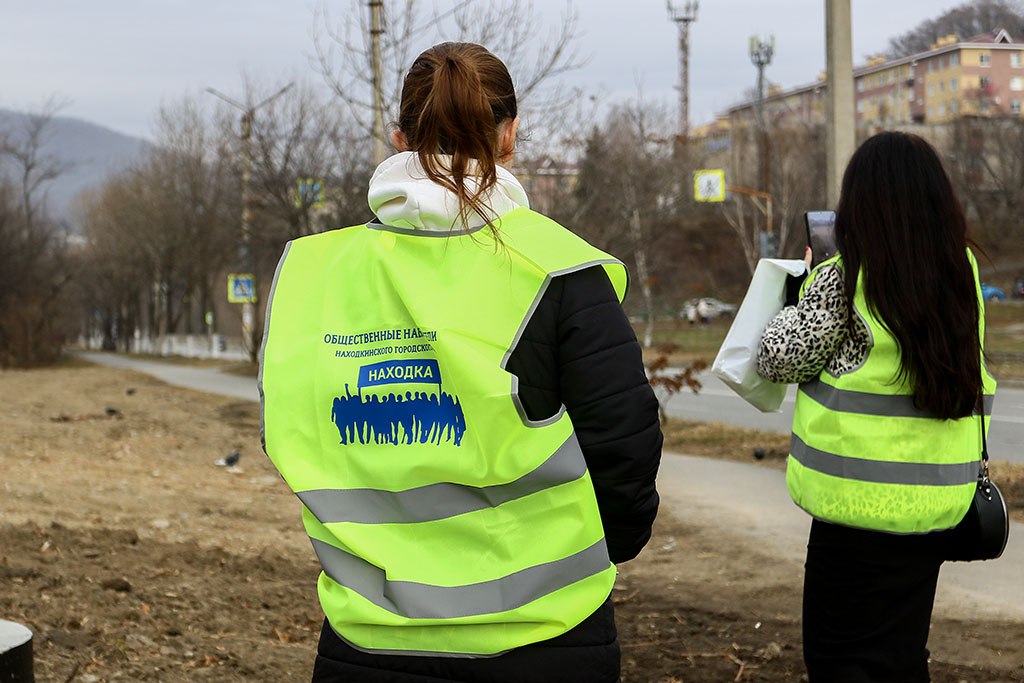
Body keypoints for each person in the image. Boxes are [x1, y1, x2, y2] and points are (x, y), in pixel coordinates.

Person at [259, 42, 662, 683]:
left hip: (368, 639)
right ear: (510, 135)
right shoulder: (558, 268)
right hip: (545, 638)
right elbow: (624, 444)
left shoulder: (310, 271)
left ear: (399, 138)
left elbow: (286, 429)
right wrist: (601, 549)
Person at [756, 131, 997, 682]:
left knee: (840, 660)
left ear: (859, 203)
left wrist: (804, 286)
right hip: (935, 504)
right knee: (901, 654)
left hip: (856, 511)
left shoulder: (843, 277)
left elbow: (778, 358)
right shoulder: (960, 271)